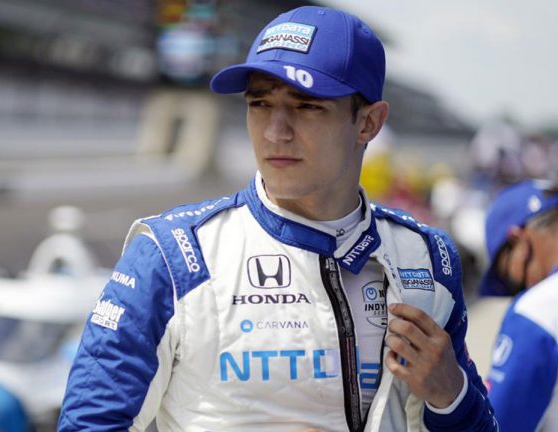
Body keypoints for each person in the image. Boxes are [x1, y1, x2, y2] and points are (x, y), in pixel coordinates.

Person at [58, 6, 497, 431]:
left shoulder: (428, 258)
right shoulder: (175, 256)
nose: (275, 131)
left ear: (368, 123)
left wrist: (453, 398)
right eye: (260, 104)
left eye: (306, 106)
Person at [480, 179, 558, 431]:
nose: (520, 291)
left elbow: (500, 425)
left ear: (517, 240)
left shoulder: (537, 309)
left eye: (510, 281)